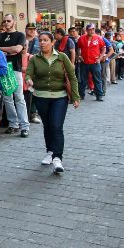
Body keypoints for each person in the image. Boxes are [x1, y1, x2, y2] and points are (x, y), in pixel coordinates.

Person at [25, 31, 80, 174]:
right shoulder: (35, 59)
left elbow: (72, 77)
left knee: (56, 125)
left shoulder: (62, 57)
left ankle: (57, 158)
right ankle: (50, 151)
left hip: (60, 97)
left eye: (45, 40)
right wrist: (29, 80)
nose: (42, 43)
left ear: (52, 42)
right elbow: (28, 73)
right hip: (41, 97)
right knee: (48, 125)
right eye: (40, 40)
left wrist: (75, 97)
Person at [0, 14, 30, 137]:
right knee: (7, 99)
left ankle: (24, 126)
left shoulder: (20, 35)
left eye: (9, 21)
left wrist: (1, 49)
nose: (6, 23)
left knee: (19, 98)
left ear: (14, 22)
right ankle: (13, 124)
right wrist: (8, 50)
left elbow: (17, 49)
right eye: (4, 21)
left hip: (15, 69)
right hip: (4, 70)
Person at [77, 24, 106, 102]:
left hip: (95, 62)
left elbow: (103, 48)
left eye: (93, 29)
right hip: (84, 62)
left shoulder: (99, 38)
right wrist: (79, 56)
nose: (92, 31)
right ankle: (81, 95)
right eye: (90, 29)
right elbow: (79, 48)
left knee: (97, 79)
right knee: (82, 80)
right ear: (86, 30)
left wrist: (100, 58)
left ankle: (99, 95)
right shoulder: (81, 38)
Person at [24, 23, 42, 125]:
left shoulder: (39, 41)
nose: (32, 31)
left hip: (35, 70)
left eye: (33, 29)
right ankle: (23, 114)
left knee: (34, 91)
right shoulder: (21, 40)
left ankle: (33, 114)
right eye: (29, 29)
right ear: (26, 30)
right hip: (22, 70)